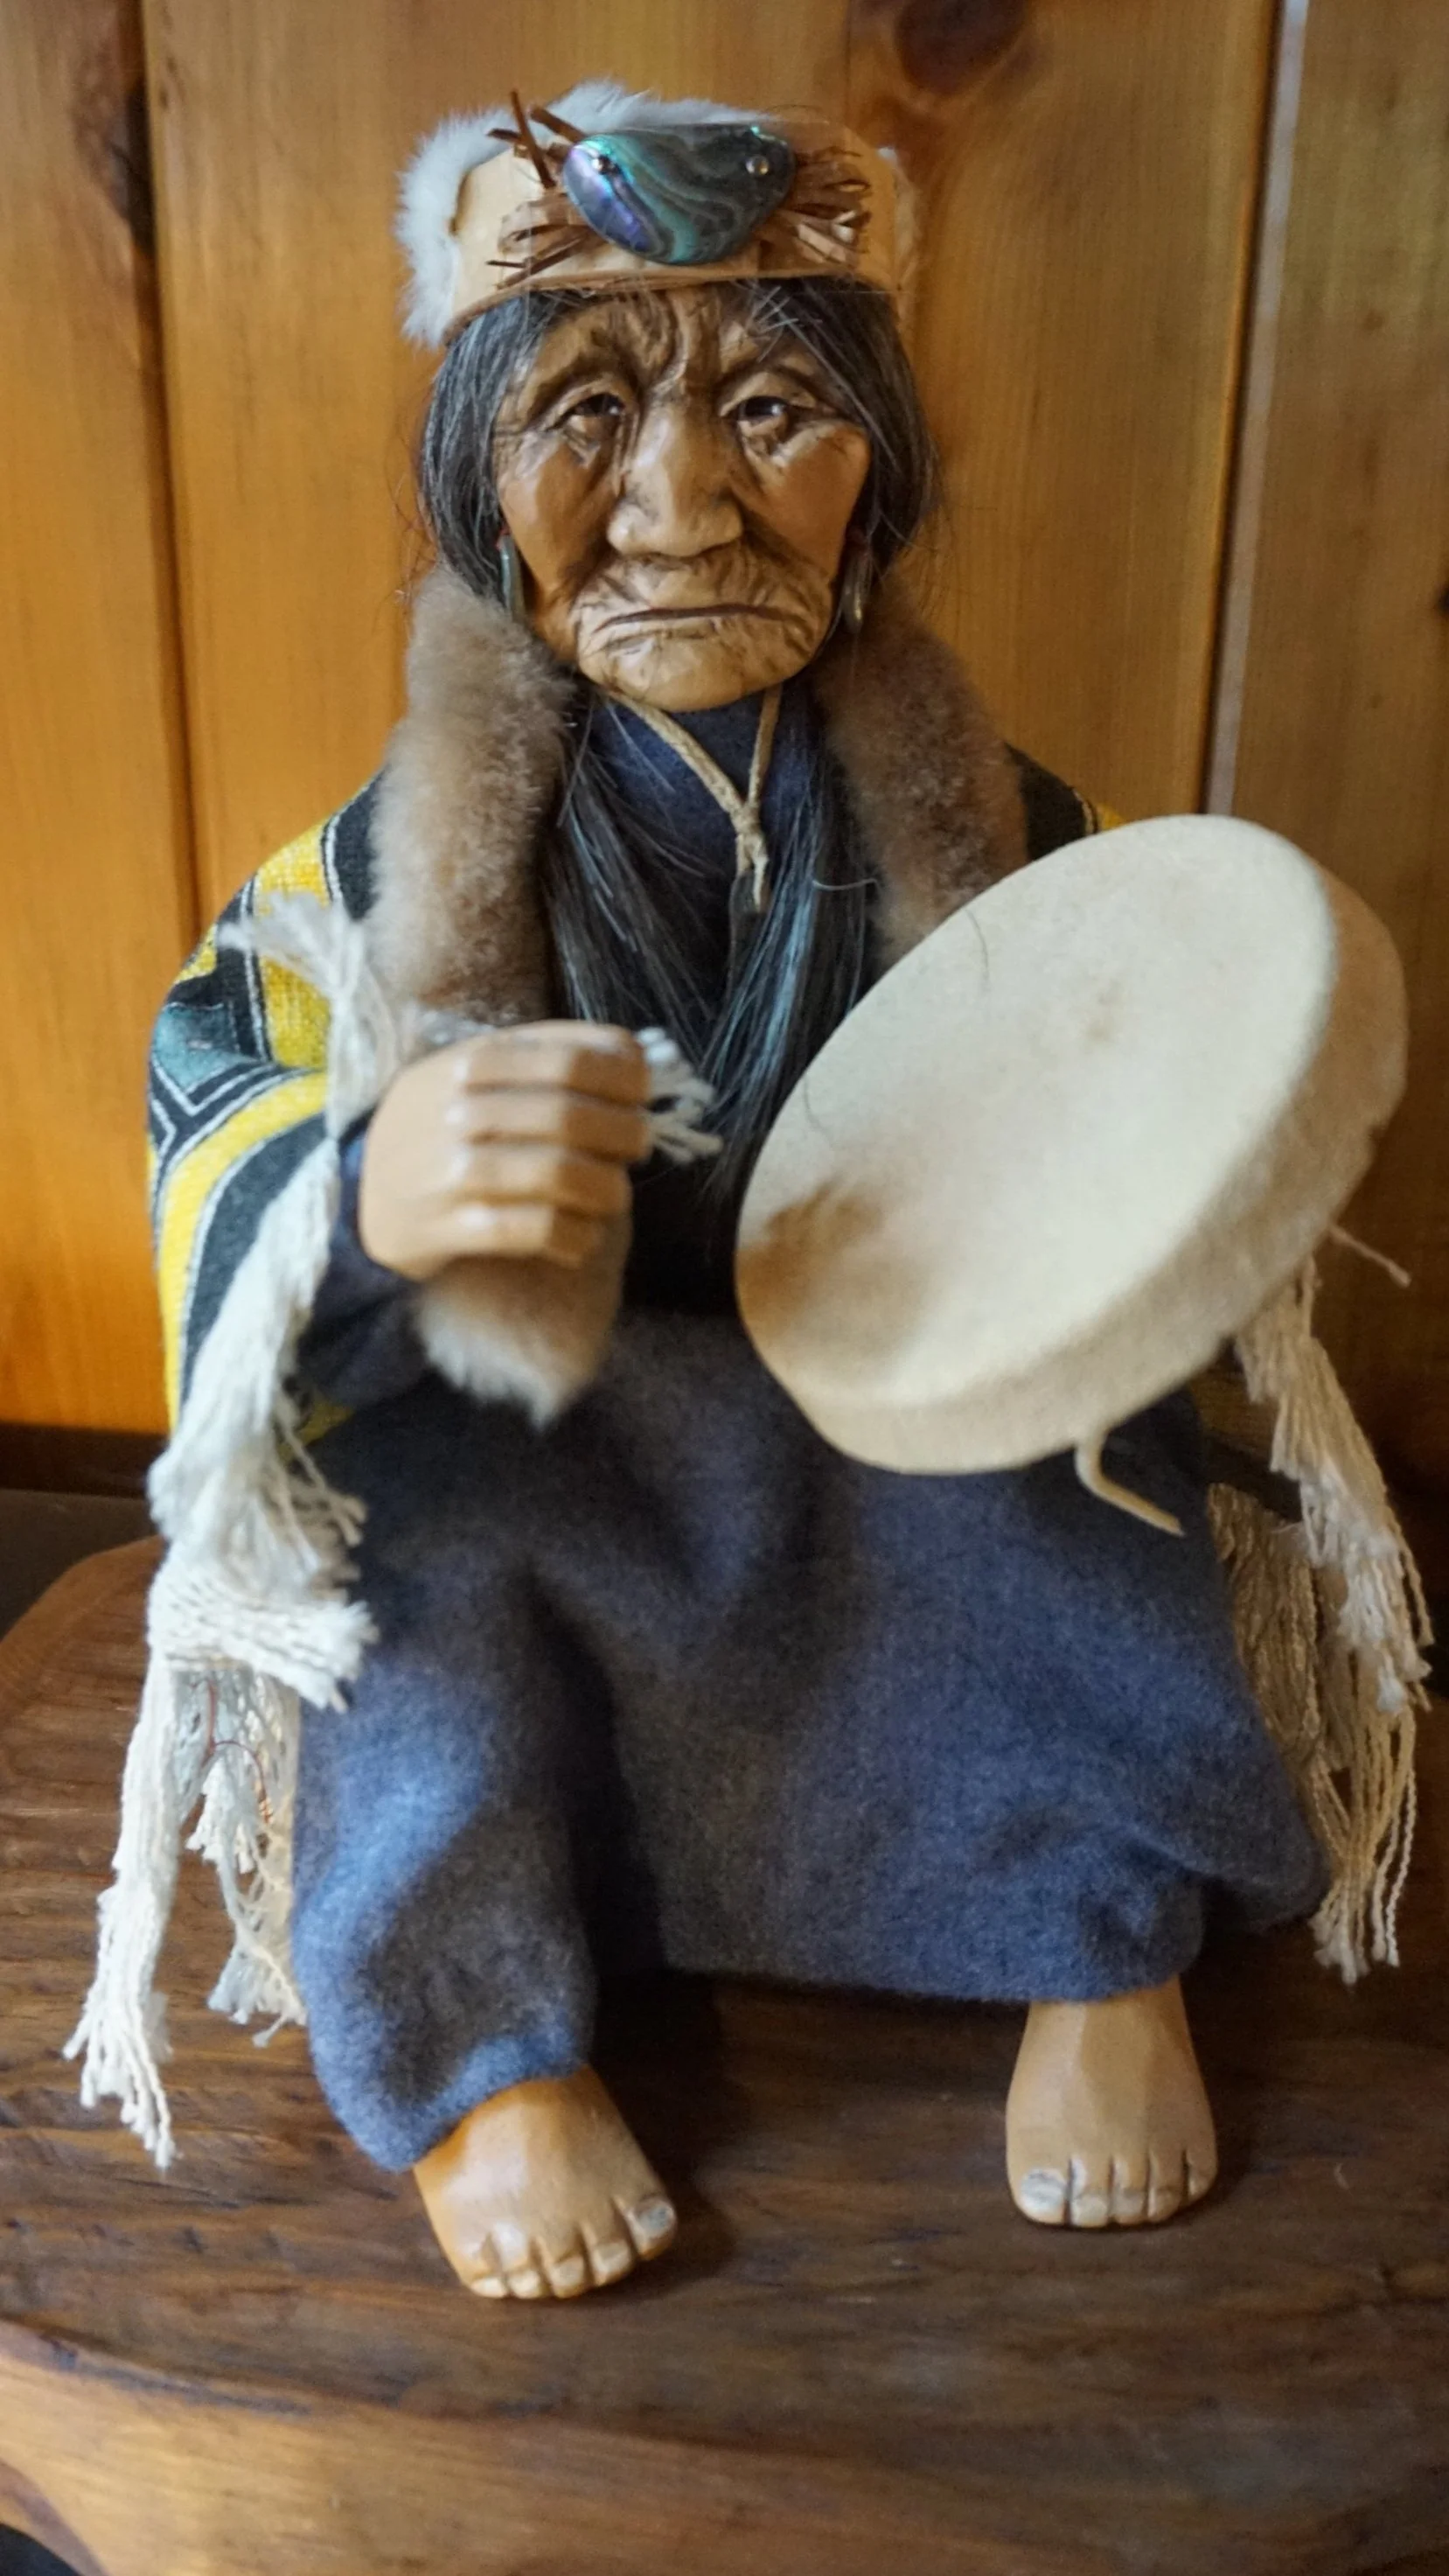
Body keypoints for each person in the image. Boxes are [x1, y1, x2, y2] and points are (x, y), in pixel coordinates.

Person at [76, 86, 1341, 2299]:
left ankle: (1092, 1931)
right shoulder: (368, 888)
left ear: (879, 480)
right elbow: (212, 1112)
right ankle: (480, 2042)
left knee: (1083, 1431)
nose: (676, 502)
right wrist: (366, 1191)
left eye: (771, 407)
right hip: (574, 1480)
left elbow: (1172, 1149)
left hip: (902, 1461)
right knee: (420, 1519)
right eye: (583, 414)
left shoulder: (1013, 836)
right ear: (480, 476)